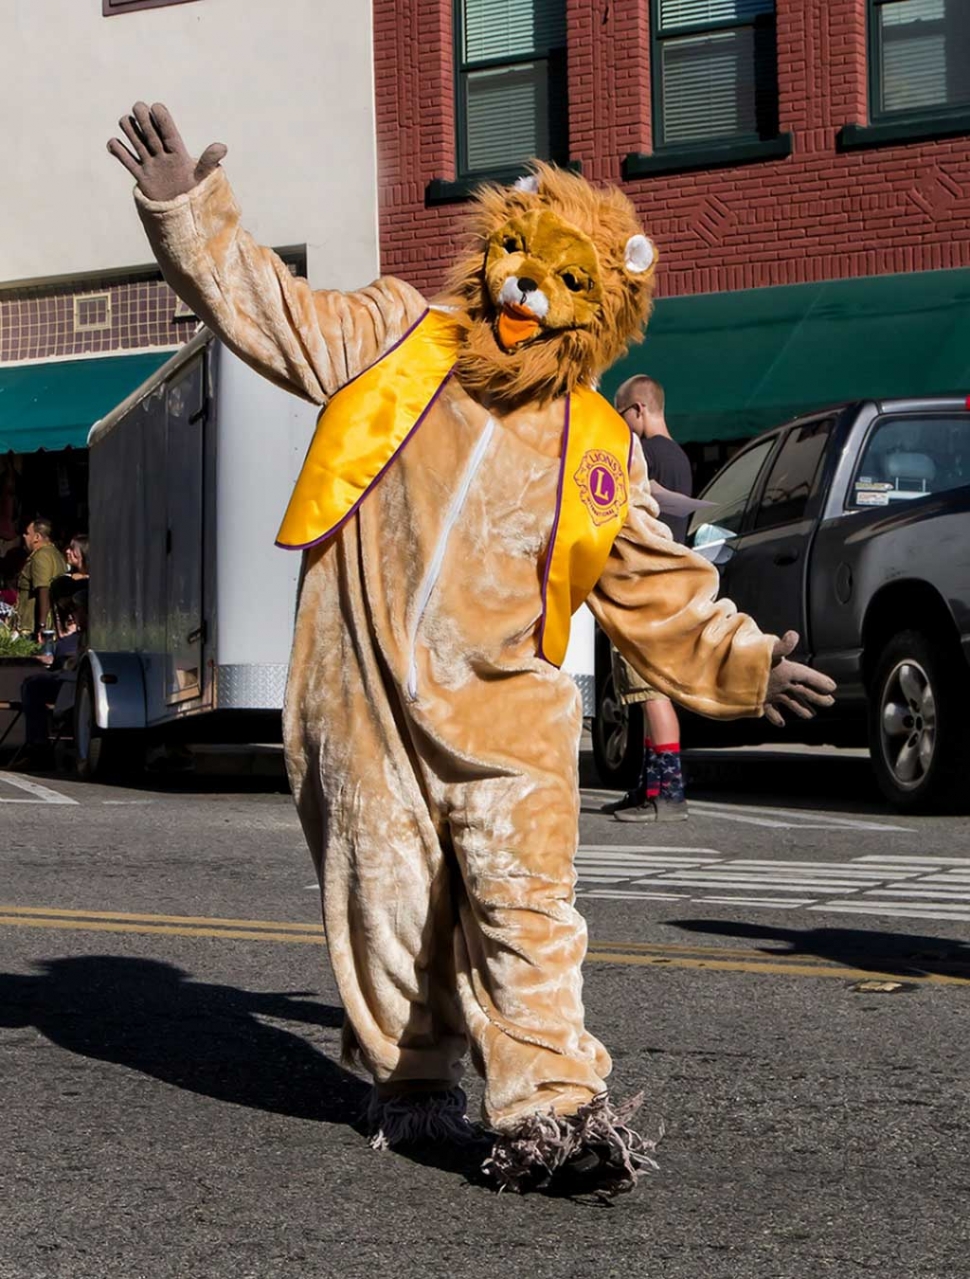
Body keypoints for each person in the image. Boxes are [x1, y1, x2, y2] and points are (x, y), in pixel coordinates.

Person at [107, 103, 835, 1195]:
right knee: (387, 904)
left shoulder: (595, 441)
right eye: (517, 263)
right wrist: (189, 210)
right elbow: (273, 311)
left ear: (599, 315)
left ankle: (553, 1111)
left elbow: (648, 578)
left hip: (509, 711)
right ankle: (413, 1080)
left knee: (527, 905)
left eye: (560, 284)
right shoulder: (399, 333)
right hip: (361, 694)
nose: (525, 294)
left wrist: (745, 661)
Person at [602, 376, 693, 822]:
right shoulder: (679, 459)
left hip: (644, 586)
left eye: (622, 415)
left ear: (638, 409)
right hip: (668, 584)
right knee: (644, 690)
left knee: (652, 690)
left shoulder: (645, 456)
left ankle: (669, 792)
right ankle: (649, 785)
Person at [15, 577, 82, 770]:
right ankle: (37, 745)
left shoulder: (81, 609)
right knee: (32, 683)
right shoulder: (76, 616)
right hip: (72, 674)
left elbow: (67, 652)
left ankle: (38, 747)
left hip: (76, 678)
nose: (72, 615)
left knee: (33, 686)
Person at [16, 518, 67, 641]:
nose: (24, 536)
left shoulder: (41, 556)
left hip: (33, 629)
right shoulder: (56, 554)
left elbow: (43, 589)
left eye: (27, 533)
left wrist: (42, 626)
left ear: (37, 537)